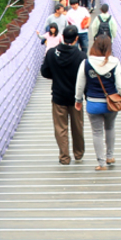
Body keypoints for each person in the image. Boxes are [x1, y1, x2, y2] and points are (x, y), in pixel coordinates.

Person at [75, 34, 121, 171]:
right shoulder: (115, 62)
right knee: (110, 128)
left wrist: (78, 99)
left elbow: (80, 85)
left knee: (97, 132)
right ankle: (110, 156)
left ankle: (101, 163)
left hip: (93, 103)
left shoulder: (86, 63)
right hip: (111, 103)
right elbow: (120, 83)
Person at [40, 25, 85, 165]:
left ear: (63, 37)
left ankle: (64, 157)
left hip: (58, 96)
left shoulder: (52, 53)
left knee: (61, 128)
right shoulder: (81, 56)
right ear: (76, 38)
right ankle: (78, 153)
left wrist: (56, 76)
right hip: (76, 98)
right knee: (77, 126)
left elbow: (44, 72)